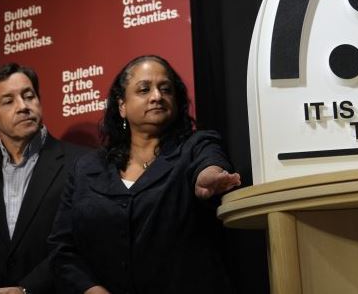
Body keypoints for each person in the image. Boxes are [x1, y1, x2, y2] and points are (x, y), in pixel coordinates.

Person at [49, 55, 241, 294]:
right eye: (144, 89)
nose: (157, 96)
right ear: (122, 105)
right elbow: (62, 248)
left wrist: (209, 175)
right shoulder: (86, 168)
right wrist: (90, 289)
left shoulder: (195, 146)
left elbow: (209, 160)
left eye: (165, 89)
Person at [0, 63, 87, 294]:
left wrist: (26, 289)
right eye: (8, 101)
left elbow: (83, 238)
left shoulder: (82, 164)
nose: (23, 106)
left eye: (29, 96)